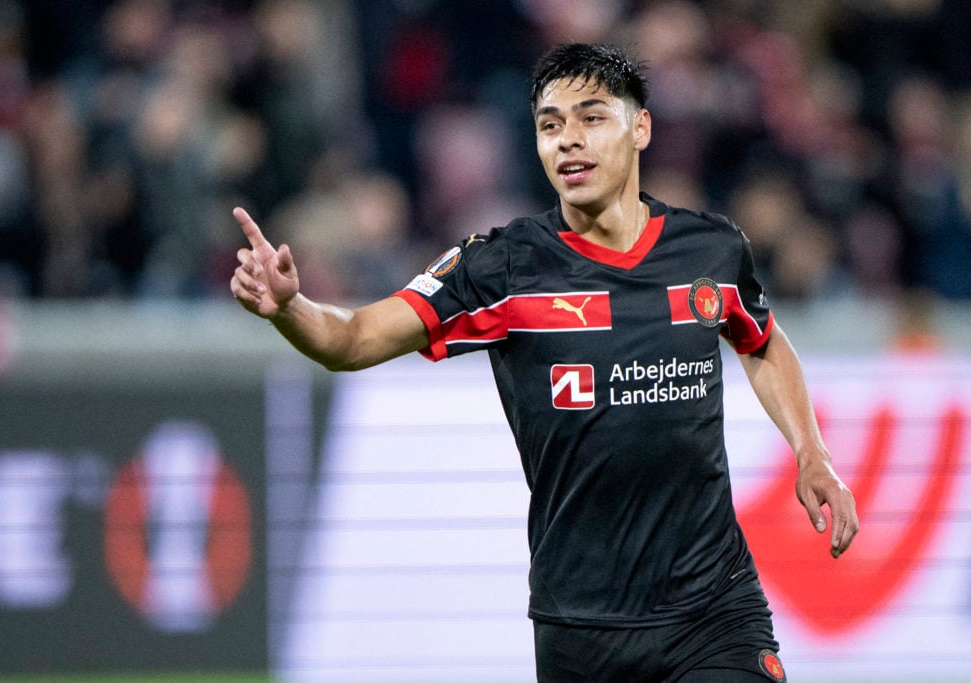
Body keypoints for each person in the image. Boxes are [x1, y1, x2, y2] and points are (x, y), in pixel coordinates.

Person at [231, 42, 858, 683]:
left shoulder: (711, 251)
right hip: (581, 627)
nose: (568, 141)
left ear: (640, 127)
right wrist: (290, 308)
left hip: (715, 610)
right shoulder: (502, 268)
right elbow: (354, 338)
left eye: (591, 118)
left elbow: (762, 341)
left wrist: (813, 453)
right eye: (550, 125)